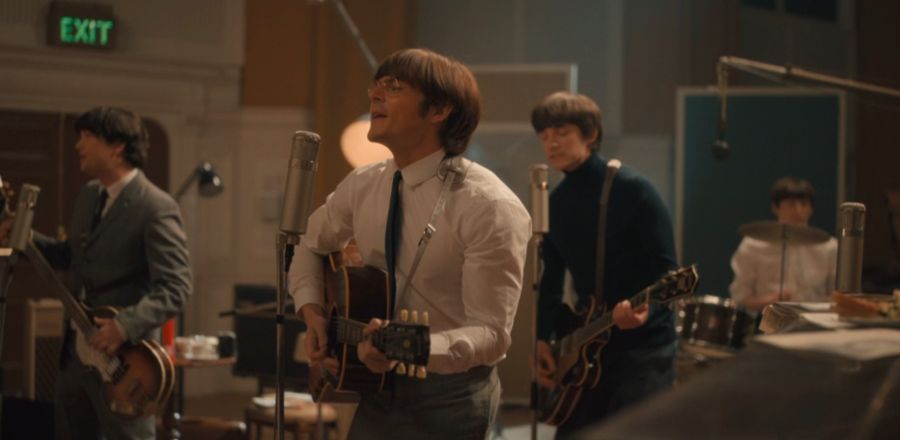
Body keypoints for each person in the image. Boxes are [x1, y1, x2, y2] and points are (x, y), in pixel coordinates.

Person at [288, 48, 530, 439]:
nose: (374, 95)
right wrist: (313, 313)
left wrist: (410, 347)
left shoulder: (489, 205)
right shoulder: (364, 183)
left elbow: (491, 333)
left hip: (450, 397)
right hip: (374, 388)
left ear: (439, 110)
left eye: (394, 87)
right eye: (375, 86)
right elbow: (309, 244)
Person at [1, 107, 192, 439]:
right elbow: (72, 257)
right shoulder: (89, 195)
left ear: (117, 147)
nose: (78, 145)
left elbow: (176, 287)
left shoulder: (156, 207)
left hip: (124, 364)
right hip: (75, 358)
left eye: (87, 137)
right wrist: (23, 236)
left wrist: (123, 326)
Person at [530, 92, 678, 437]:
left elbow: (670, 273)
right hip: (588, 343)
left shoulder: (635, 190)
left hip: (644, 347)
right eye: (544, 136)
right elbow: (550, 281)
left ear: (591, 134)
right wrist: (541, 338)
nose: (551, 143)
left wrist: (648, 310)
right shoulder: (556, 203)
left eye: (562, 132)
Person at [729, 177, 837, 311]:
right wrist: (769, 300)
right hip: (767, 319)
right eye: (791, 204)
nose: (798, 210)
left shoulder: (829, 247)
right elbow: (740, 300)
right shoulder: (752, 246)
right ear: (775, 208)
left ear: (811, 209)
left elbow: (837, 296)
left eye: (804, 204)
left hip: (816, 321)